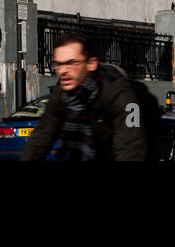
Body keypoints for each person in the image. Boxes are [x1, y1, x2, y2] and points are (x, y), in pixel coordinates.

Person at [20, 31, 148, 161]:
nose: (63, 71)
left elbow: (131, 147)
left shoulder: (121, 94)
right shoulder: (61, 96)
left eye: (72, 63)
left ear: (91, 64)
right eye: (58, 64)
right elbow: (40, 139)